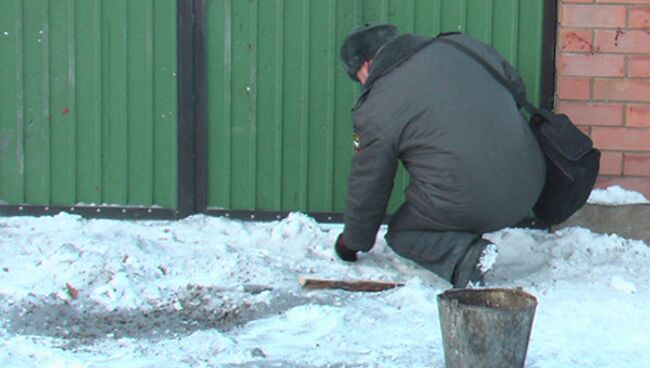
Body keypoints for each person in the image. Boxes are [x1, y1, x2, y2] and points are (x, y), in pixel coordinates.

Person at [333, 23, 546, 288]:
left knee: (402, 232)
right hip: (533, 180)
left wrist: (352, 242)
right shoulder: (459, 45)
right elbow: (516, 87)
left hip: (477, 201)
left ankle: (466, 257)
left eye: (358, 78)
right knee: (449, 189)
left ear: (365, 65)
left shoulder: (376, 106)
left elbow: (368, 184)